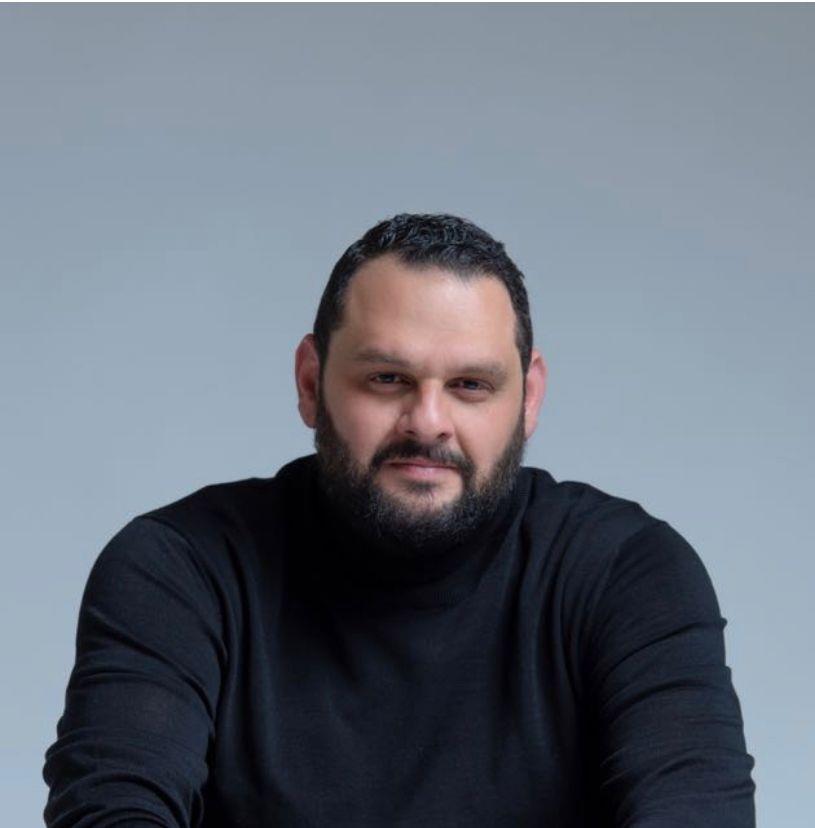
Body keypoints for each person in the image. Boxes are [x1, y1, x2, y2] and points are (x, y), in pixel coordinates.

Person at [43, 213, 756, 827]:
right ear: (310, 382)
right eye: (387, 379)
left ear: (529, 398)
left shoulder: (627, 574)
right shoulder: (183, 568)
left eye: (471, 385)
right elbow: (110, 810)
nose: (428, 422)